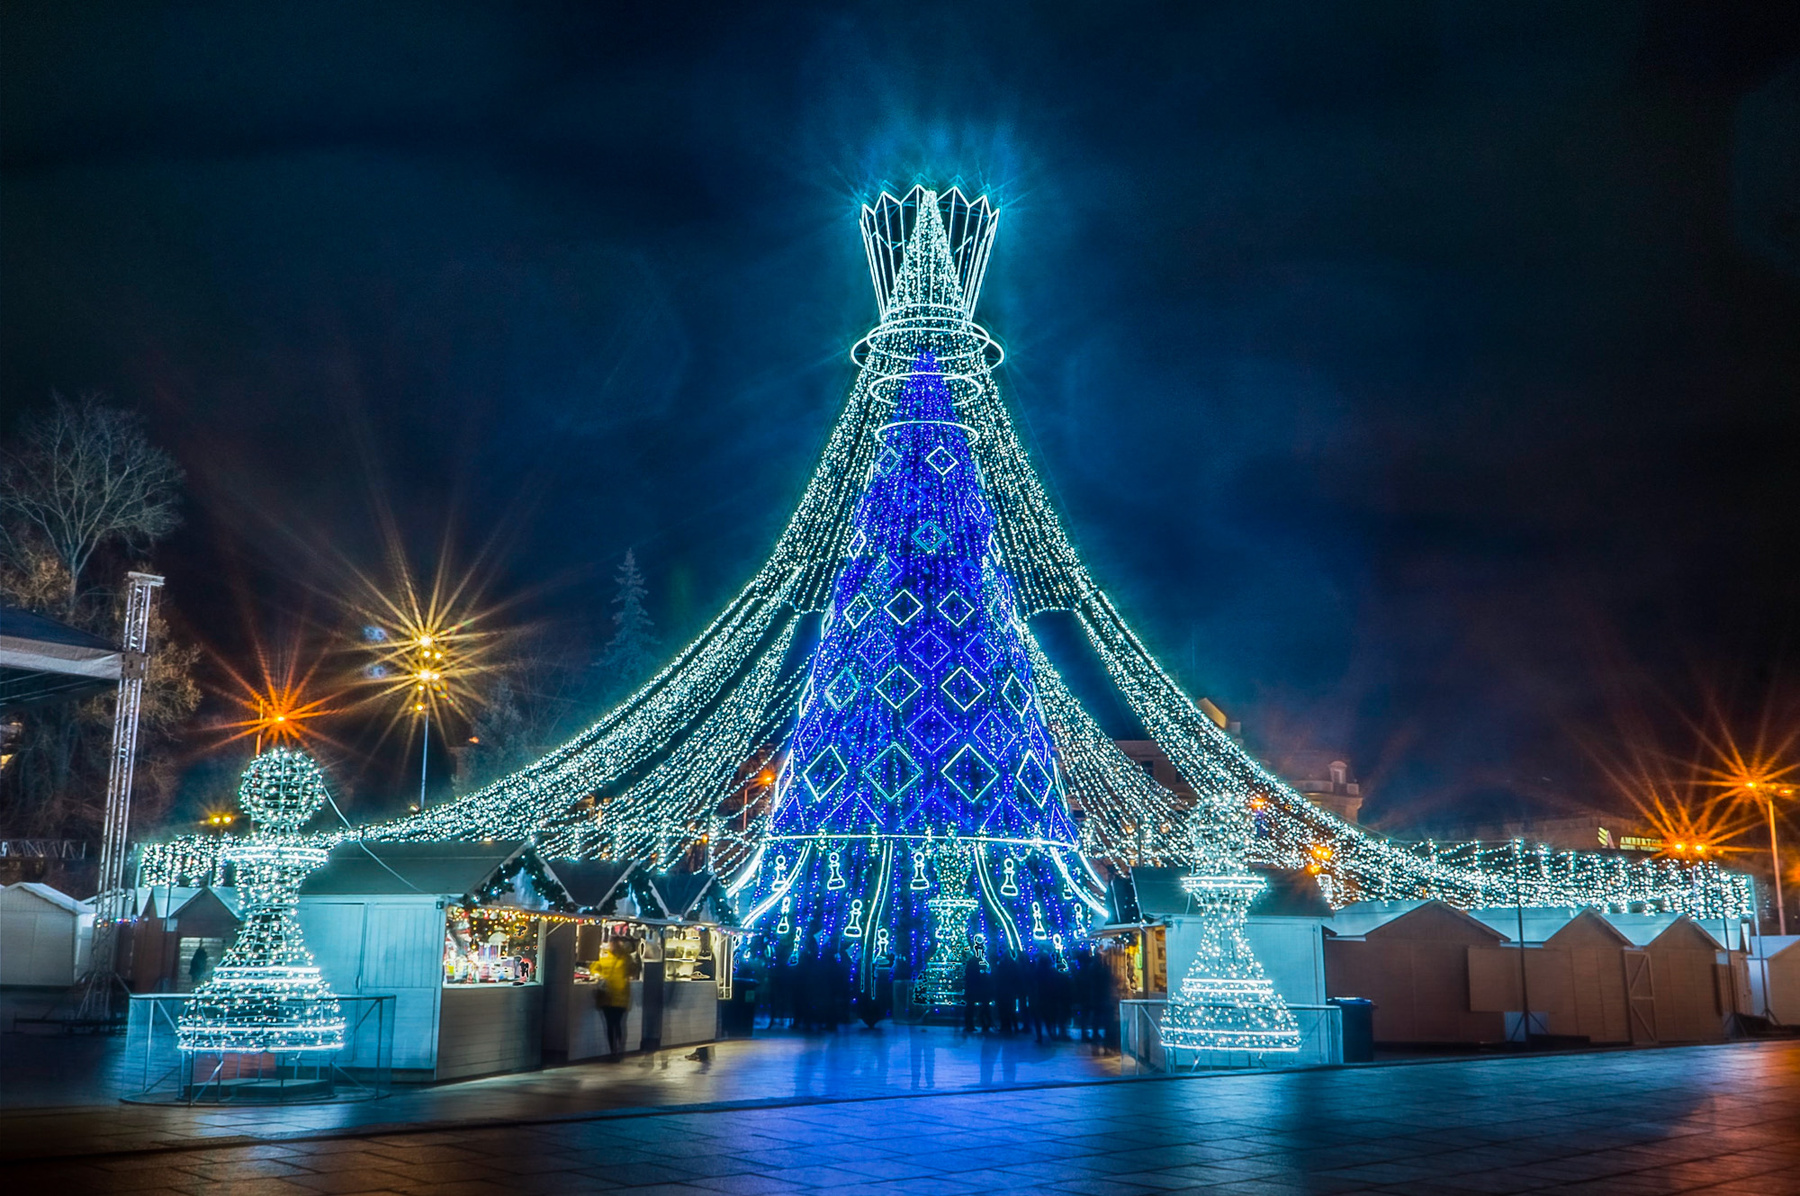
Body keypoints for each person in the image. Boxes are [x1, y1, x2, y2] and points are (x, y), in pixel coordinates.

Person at [593, 932, 641, 1061]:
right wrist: (598, 975)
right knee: (612, 1024)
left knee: (616, 1024)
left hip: (619, 997)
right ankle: (614, 1051)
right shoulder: (608, 958)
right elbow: (594, 968)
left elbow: (633, 970)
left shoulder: (624, 958)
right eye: (612, 942)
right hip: (609, 996)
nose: (613, 945)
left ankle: (617, 1051)